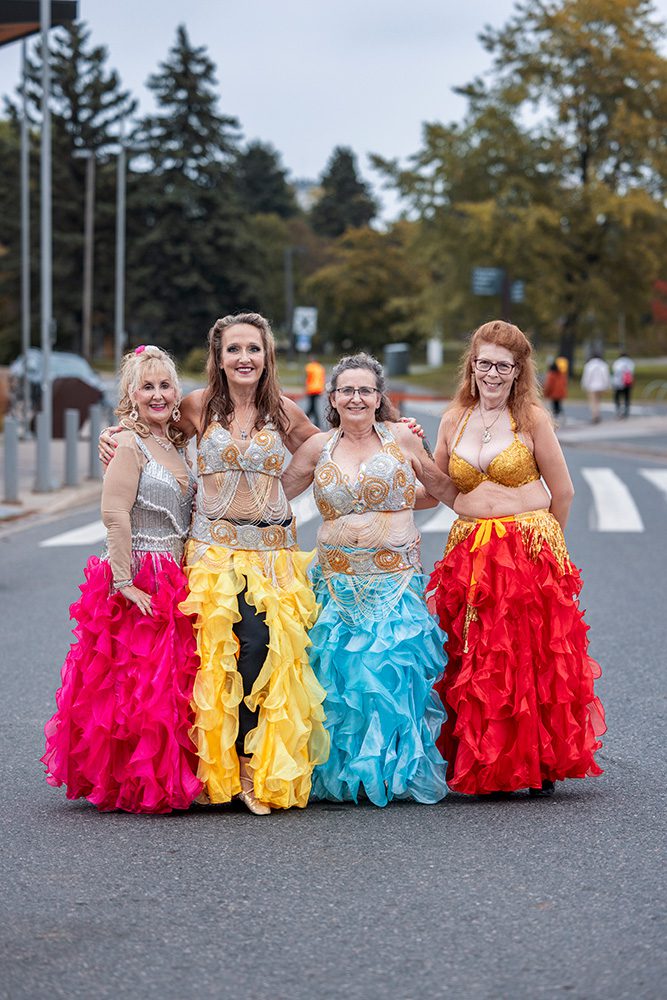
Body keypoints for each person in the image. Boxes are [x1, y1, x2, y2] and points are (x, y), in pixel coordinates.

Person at [101, 313, 329, 814]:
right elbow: (153, 429)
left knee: (261, 651)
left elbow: (323, 444)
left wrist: (285, 490)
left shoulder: (282, 411)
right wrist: (114, 437)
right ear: (218, 358)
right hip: (211, 553)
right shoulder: (199, 406)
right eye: (234, 350)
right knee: (212, 660)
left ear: (267, 356)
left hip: (271, 556)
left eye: (254, 349)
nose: (244, 358)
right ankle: (211, 769)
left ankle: (249, 766)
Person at [427, 320, 606, 798]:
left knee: (527, 654)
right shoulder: (452, 420)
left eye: (502, 366)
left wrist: (549, 548)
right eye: (484, 363)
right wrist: (405, 453)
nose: (492, 373)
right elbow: (443, 488)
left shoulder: (530, 419)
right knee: (480, 656)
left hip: (526, 547)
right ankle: (488, 756)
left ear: (517, 370)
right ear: (472, 365)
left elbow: (562, 491)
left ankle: (538, 758)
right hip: (470, 548)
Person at [282, 353, 456, 806]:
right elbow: (273, 494)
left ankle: (394, 773)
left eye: (366, 390)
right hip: (336, 583)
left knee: (392, 677)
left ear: (380, 398)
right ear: (333, 399)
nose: (356, 398)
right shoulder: (318, 447)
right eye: (347, 391)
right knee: (340, 681)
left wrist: (500, 505)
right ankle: (343, 775)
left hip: (394, 580)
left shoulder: (401, 438)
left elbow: (439, 489)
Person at [42, 346, 202, 813]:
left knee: (171, 682)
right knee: (137, 685)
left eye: (165, 385)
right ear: (131, 394)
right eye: (147, 386)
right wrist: (123, 582)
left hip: (177, 571)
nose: (158, 394)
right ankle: (134, 780)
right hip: (141, 573)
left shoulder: (175, 442)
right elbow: (113, 514)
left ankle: (168, 773)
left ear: (177, 392)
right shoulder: (128, 442)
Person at [580, 351, 610, 423]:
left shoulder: (589, 365)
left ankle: (594, 415)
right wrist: (607, 385)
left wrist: (584, 385)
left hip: (592, 386)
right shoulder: (603, 365)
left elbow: (587, 377)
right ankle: (598, 414)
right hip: (601, 386)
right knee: (598, 401)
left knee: (593, 402)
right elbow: (605, 376)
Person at [542, 357, 568, 421]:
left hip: (554, 393)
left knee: (555, 406)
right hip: (561, 392)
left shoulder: (551, 374)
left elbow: (549, 385)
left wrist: (545, 393)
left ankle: (556, 418)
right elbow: (565, 382)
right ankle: (561, 416)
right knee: (558, 405)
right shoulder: (561, 373)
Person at [304, 355, 326, 428]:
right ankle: (316, 422)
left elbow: (308, 378)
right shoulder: (320, 367)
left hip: (311, 388)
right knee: (313, 406)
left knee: (312, 406)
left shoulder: (309, 367)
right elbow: (322, 379)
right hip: (318, 388)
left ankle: (305, 419)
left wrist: (305, 387)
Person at [611, 350, 635, 418]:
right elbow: (632, 372)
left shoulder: (617, 362)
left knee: (617, 397)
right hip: (627, 382)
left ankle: (618, 410)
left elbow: (615, 372)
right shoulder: (630, 362)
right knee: (627, 396)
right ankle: (626, 411)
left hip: (618, 382)